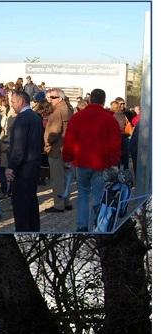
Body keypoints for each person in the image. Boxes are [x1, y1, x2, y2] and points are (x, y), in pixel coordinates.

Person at [62, 88, 122, 231]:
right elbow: (115, 143)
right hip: (101, 163)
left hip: (82, 162)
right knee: (98, 195)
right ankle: (99, 223)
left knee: (83, 194)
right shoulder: (109, 119)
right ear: (104, 101)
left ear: (90, 100)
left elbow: (69, 140)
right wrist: (114, 162)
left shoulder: (78, 117)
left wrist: (67, 157)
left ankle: (82, 225)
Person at [6, 91, 44, 231]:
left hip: (23, 169)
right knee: (31, 202)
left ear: (21, 101)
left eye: (13, 102)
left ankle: (23, 230)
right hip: (33, 165)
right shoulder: (35, 117)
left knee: (21, 205)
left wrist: (11, 167)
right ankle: (33, 229)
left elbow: (18, 148)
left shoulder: (22, 119)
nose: (12, 105)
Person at [43, 88, 73, 213]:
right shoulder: (68, 109)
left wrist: (47, 144)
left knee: (57, 178)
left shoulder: (57, 112)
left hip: (57, 149)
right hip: (66, 147)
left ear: (60, 98)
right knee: (65, 177)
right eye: (49, 97)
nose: (50, 100)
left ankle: (59, 204)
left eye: (53, 97)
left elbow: (52, 133)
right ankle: (66, 202)